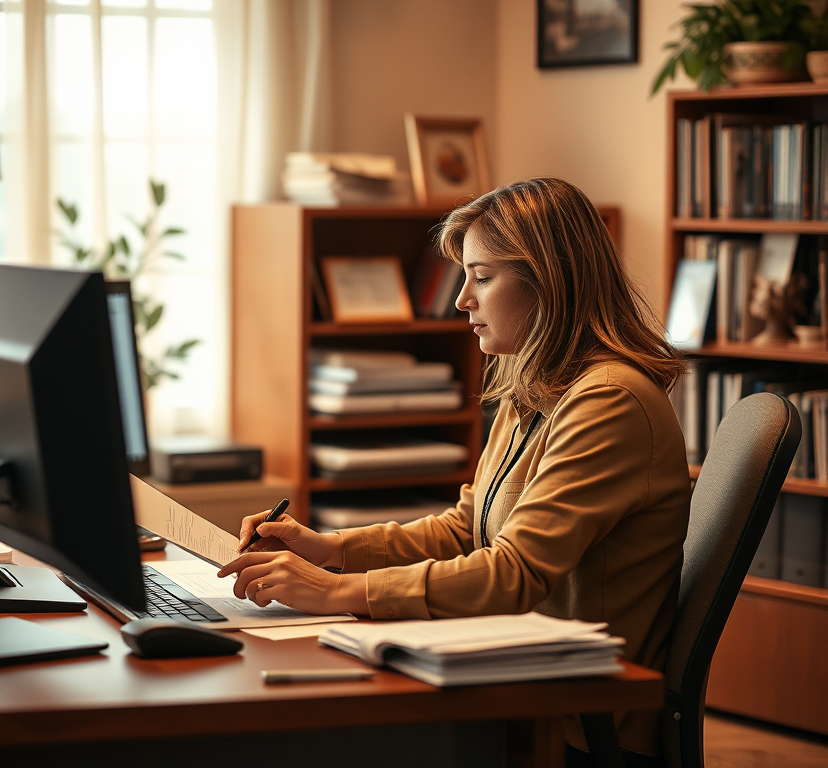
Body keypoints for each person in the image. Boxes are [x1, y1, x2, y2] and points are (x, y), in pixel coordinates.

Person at [217, 177, 690, 766]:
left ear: (550, 280)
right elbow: (467, 530)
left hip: (576, 724)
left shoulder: (611, 401)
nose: (462, 299)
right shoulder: (533, 386)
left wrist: (338, 591)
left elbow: (515, 572)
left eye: (483, 277)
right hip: (519, 680)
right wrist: (330, 550)